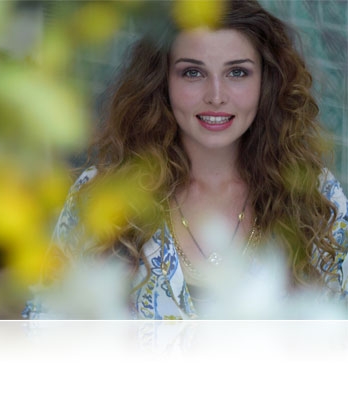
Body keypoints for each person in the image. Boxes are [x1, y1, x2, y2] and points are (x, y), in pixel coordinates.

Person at [23, 0, 348, 319]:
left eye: (237, 72)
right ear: (162, 81)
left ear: (266, 82)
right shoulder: (100, 195)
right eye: (193, 72)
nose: (216, 95)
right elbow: (43, 326)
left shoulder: (316, 196)